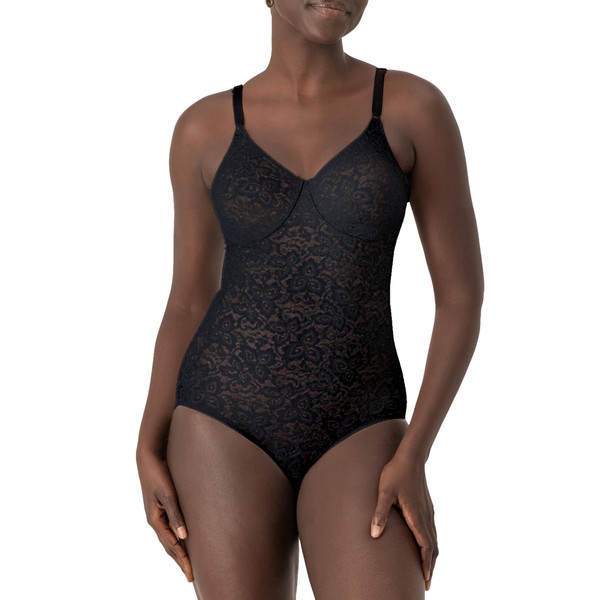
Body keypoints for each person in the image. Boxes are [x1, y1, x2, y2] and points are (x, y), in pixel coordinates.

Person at [136, 1, 484, 598]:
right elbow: (189, 300)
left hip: (362, 422)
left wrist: (415, 452)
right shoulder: (203, 128)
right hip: (221, 421)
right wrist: (148, 442)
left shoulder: (412, 108)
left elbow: (461, 297)